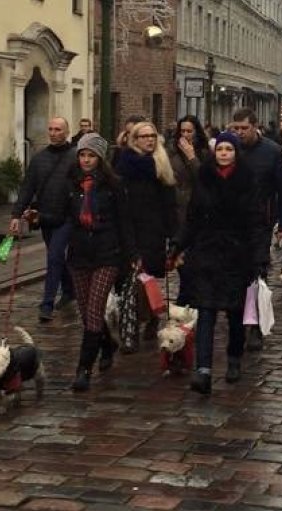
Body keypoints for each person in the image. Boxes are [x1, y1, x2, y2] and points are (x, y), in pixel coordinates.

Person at [171, 132, 269, 395]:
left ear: (236, 153)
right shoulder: (204, 178)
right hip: (206, 252)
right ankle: (203, 369)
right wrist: (179, 243)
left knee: (235, 313)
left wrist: (260, 257)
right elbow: (192, 217)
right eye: (220, 149)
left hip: (238, 255)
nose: (224, 153)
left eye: (229, 149)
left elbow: (258, 223)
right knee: (206, 311)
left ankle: (234, 358)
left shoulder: (248, 181)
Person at [65, 134, 136, 391]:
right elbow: (61, 212)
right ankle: (107, 343)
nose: (86, 160)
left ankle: (83, 369)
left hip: (107, 254)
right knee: (86, 314)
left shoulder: (113, 184)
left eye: (91, 155)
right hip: (79, 254)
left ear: (100, 158)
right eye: (83, 155)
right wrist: (36, 217)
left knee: (95, 310)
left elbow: (125, 221)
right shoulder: (71, 182)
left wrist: (132, 256)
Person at [229, 108, 282, 351]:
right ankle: (235, 319)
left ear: (255, 127)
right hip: (231, 223)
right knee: (234, 273)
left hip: (260, 222)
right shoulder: (228, 149)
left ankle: (254, 325)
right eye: (235, 128)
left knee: (257, 272)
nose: (239, 133)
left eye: (244, 128)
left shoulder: (272, 152)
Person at [11, 117, 79, 322]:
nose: (53, 132)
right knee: (57, 256)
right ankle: (69, 291)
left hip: (67, 217)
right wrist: (16, 214)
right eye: (50, 129)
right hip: (45, 216)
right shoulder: (39, 159)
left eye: (58, 129)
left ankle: (47, 304)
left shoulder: (75, 157)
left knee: (54, 256)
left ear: (67, 132)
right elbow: (27, 188)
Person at [116, 121, 178, 341]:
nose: (150, 139)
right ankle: (133, 320)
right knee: (130, 277)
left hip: (153, 229)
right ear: (134, 139)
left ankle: (151, 316)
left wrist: (173, 234)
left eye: (153, 135)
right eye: (144, 136)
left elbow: (170, 203)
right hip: (130, 226)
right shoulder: (125, 163)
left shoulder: (161, 163)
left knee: (148, 275)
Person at [166, 115, 210, 228]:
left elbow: (203, 177)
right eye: (182, 131)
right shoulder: (171, 151)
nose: (185, 135)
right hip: (177, 203)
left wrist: (191, 157)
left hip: (197, 202)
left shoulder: (204, 152)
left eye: (189, 131)